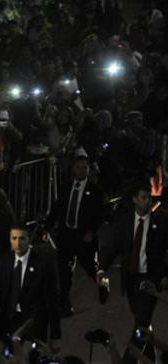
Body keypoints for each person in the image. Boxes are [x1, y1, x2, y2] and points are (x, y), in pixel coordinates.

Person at [97, 183, 168, 363]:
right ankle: (149, 356)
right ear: (135, 199)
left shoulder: (161, 222)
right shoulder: (125, 221)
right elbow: (114, 247)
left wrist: (162, 276)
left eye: (149, 198)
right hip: (131, 279)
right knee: (141, 320)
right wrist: (101, 268)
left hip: (149, 280)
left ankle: (128, 360)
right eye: (144, 198)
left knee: (141, 322)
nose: (147, 202)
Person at [0, 227, 60, 361]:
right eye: (14, 238)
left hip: (33, 320)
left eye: (22, 238)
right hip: (9, 317)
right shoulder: (4, 261)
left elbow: (52, 299)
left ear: (29, 240)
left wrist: (56, 334)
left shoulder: (43, 264)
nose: (18, 243)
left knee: (26, 356)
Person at [45, 155, 104, 315]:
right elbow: (57, 208)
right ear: (73, 169)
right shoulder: (66, 187)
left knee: (91, 267)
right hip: (66, 235)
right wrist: (46, 227)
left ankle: (103, 286)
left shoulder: (95, 190)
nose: (81, 170)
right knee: (64, 271)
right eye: (78, 167)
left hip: (84, 236)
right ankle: (65, 304)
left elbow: (101, 214)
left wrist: (91, 231)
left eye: (84, 167)